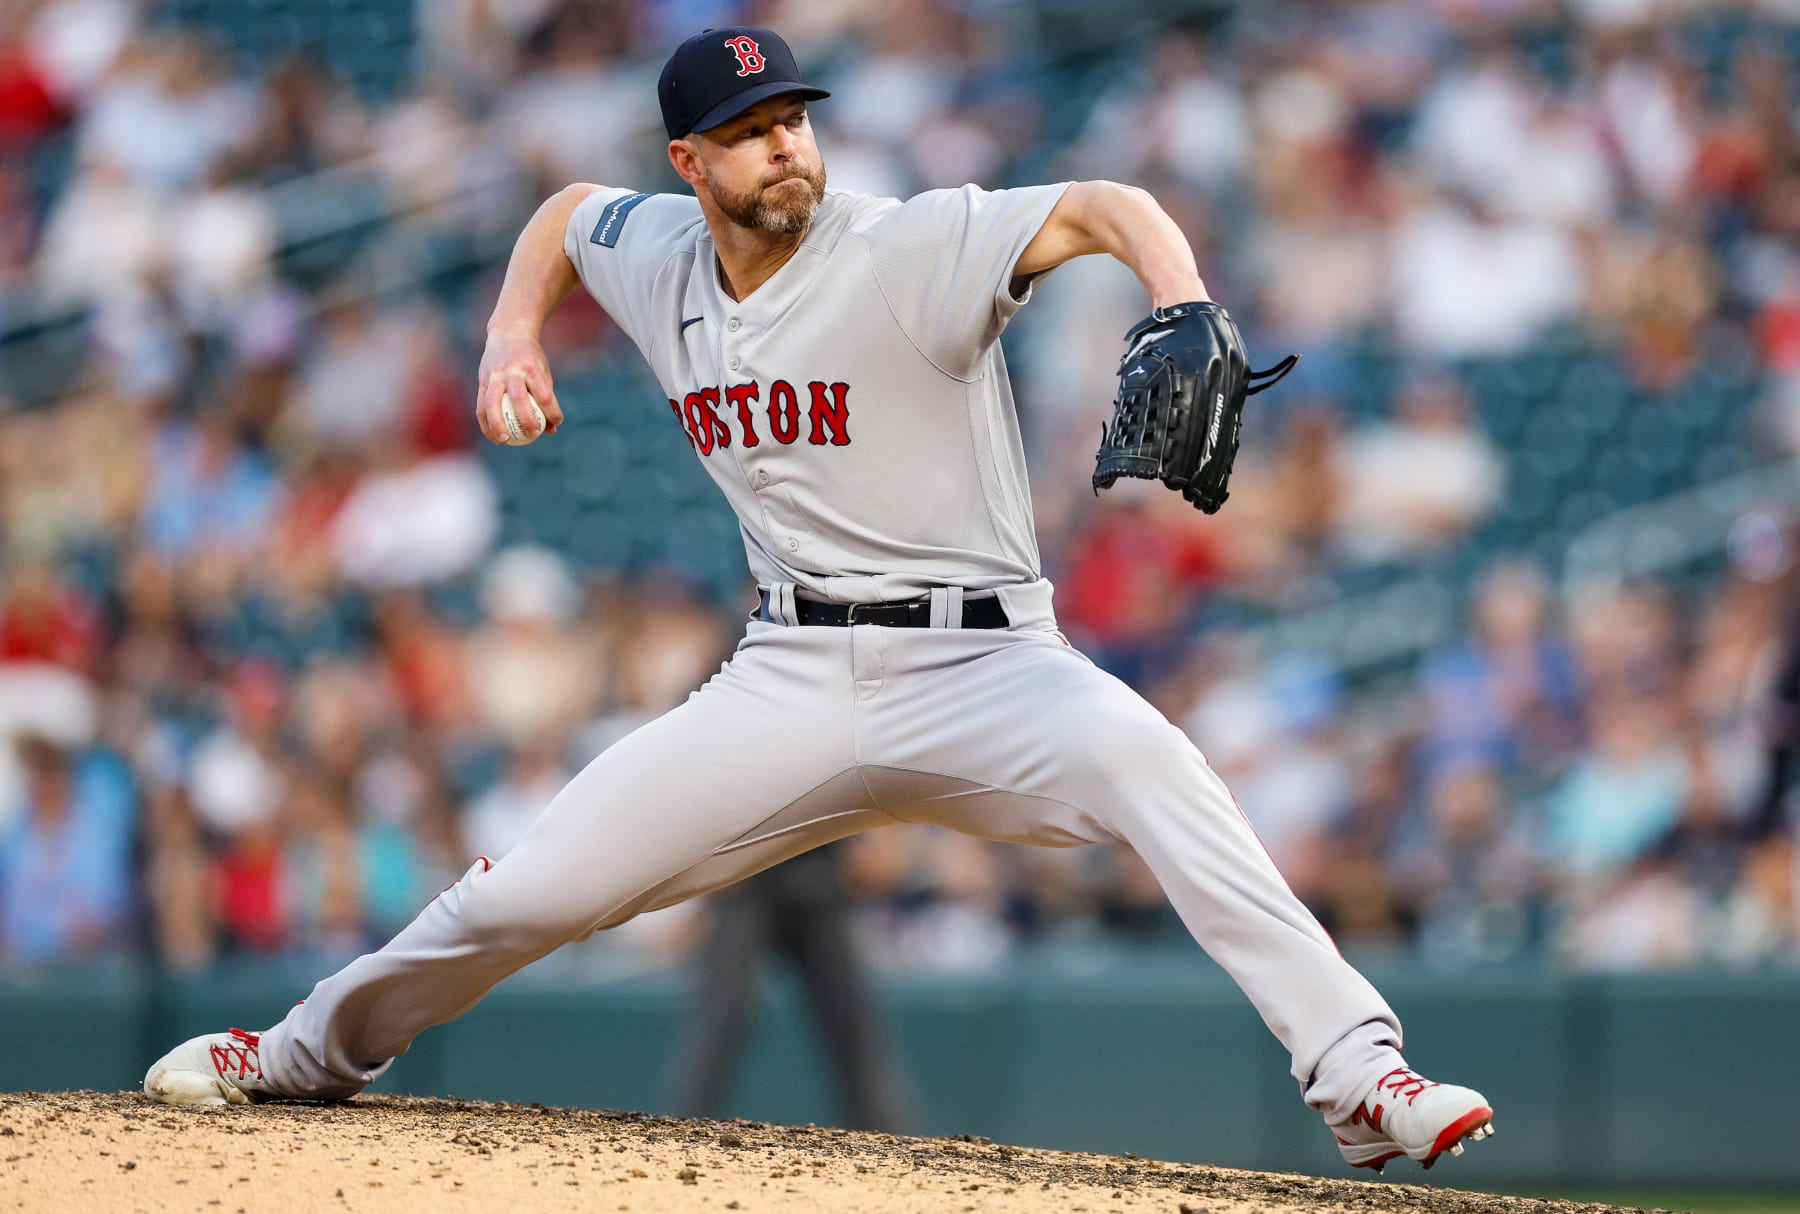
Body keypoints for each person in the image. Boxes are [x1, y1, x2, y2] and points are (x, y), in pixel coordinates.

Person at [143, 26, 1496, 1173]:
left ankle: (1361, 1079)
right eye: (748, 130)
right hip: (787, 678)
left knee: (1156, 760)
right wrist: (509, 325)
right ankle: (305, 1051)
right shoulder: (661, 251)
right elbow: (563, 213)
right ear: (691, 165)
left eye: (794, 117)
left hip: (989, 668)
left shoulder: (909, 249)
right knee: (527, 888)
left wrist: (1181, 285)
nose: (785, 145)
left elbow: (1097, 202)